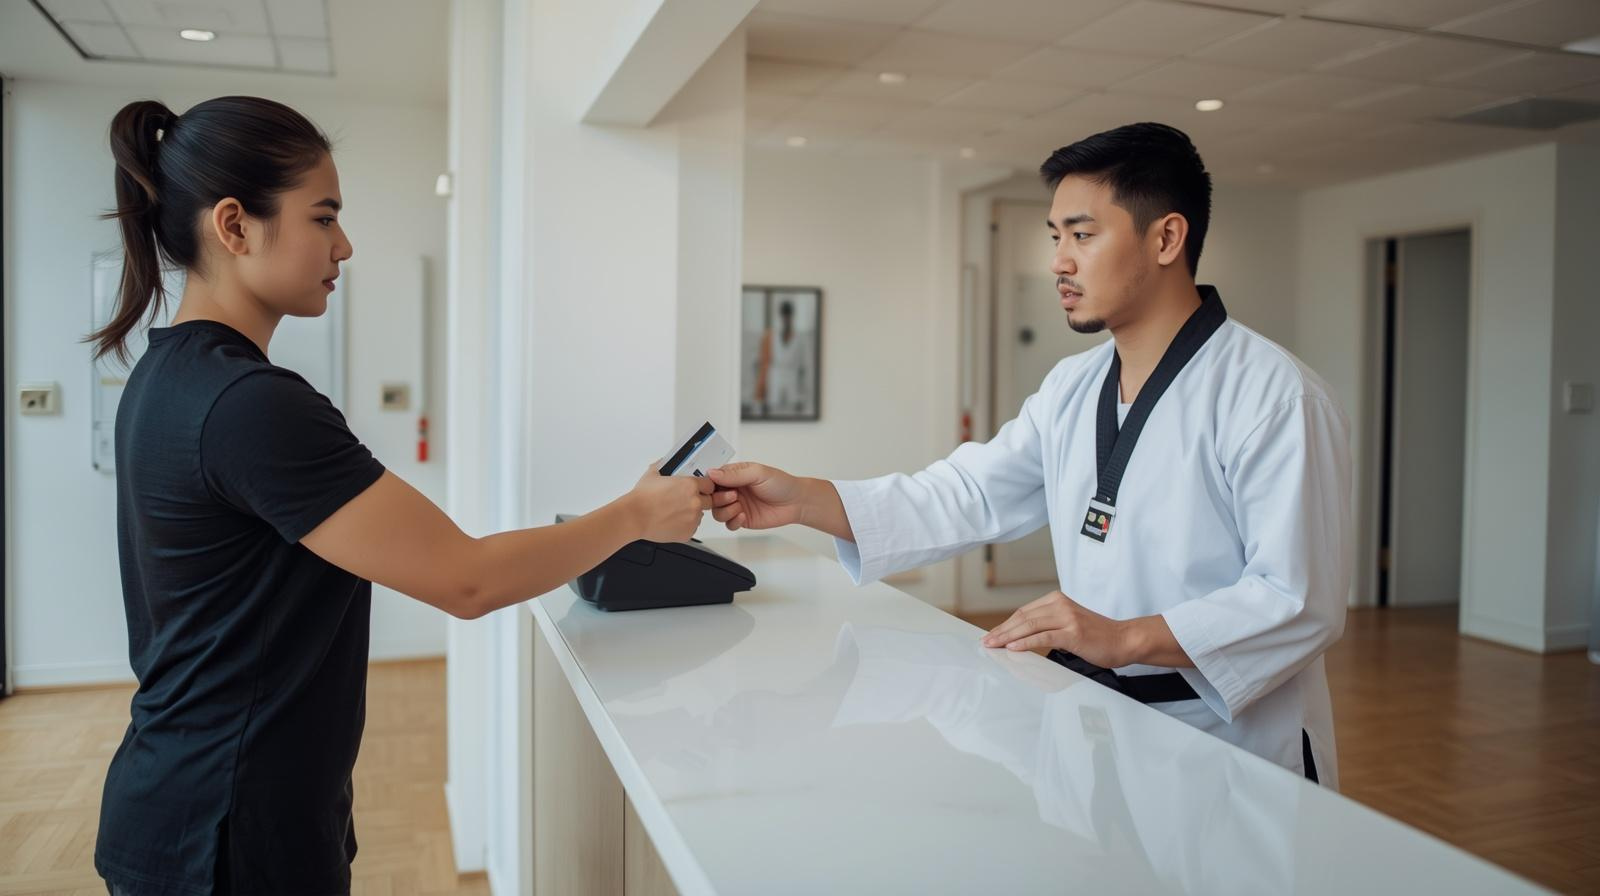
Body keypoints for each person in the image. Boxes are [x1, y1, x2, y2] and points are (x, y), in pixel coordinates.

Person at [89, 96, 711, 896]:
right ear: (235, 227)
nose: (343, 246)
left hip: (186, 804)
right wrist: (634, 516)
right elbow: (466, 579)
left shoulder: (165, 376)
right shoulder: (251, 405)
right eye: (323, 218)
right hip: (228, 832)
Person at [707, 122, 1351, 786]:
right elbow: (971, 493)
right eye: (1055, 237)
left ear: (1166, 238)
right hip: (1102, 731)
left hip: (1234, 746)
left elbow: (1298, 599)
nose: (1058, 262)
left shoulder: (1274, 397)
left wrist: (1127, 637)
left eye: (1082, 234)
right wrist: (804, 498)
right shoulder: (1074, 386)